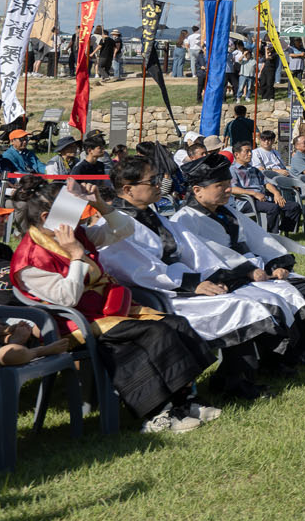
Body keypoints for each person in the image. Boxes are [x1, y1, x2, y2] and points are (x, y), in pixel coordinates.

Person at [6, 177, 220, 433]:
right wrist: (76, 256)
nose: (80, 220)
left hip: (104, 308)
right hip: (73, 322)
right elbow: (67, 299)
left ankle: (184, 400)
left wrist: (101, 205)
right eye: (74, 214)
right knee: (154, 332)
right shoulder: (30, 259)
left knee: (175, 323)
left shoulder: (74, 234)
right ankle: (157, 413)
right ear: (46, 217)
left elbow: (124, 230)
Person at [91, 160, 284, 397]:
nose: (159, 185)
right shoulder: (112, 226)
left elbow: (193, 250)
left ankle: (236, 378)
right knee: (239, 307)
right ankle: (233, 383)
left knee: (244, 300)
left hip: (181, 283)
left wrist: (215, 275)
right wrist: (193, 283)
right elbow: (141, 270)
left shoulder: (154, 216)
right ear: (128, 189)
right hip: (158, 294)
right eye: (152, 181)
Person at [167, 154, 305, 357]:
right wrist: (247, 271)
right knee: (287, 300)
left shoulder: (226, 212)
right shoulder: (184, 221)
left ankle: (297, 352)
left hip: (257, 272)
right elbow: (203, 258)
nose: (228, 189)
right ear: (197, 190)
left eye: (228, 184)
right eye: (220, 185)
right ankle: (279, 358)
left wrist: (276, 265)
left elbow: (259, 239)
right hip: (230, 281)